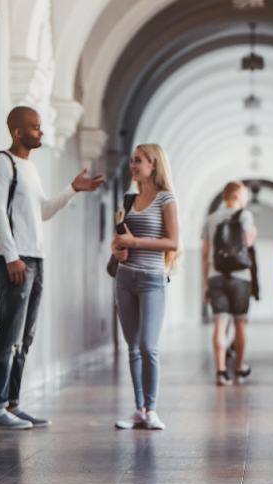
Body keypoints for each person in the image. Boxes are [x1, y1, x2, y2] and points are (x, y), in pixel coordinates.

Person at [0, 106, 105, 429]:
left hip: (35, 258)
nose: (41, 132)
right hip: (15, 259)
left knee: (25, 337)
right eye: (35, 127)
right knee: (8, 333)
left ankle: (13, 403)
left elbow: (44, 211)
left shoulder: (30, 169)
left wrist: (72, 189)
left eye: (41, 126)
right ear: (17, 132)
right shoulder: (2, 163)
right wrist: (11, 257)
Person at [112, 144, 179, 431]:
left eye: (138, 160)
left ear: (153, 164)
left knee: (148, 346)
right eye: (131, 160)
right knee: (132, 348)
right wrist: (118, 250)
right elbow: (118, 240)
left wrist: (135, 243)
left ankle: (152, 409)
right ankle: (138, 409)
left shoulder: (166, 199)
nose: (132, 165)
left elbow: (174, 243)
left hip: (152, 279)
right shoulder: (128, 199)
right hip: (125, 278)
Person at [202, 182, 256, 386]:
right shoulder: (245, 215)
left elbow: (205, 253)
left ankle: (221, 372)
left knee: (219, 324)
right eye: (244, 194)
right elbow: (248, 243)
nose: (246, 198)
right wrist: (254, 232)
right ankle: (240, 369)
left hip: (216, 276)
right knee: (240, 323)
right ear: (235, 195)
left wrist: (206, 283)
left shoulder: (210, 219)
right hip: (240, 276)